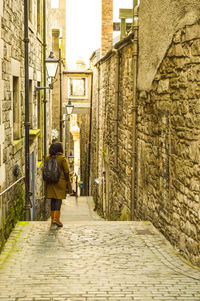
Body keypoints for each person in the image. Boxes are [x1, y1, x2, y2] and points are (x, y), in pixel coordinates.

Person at [44, 142, 72, 227]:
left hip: (50, 182)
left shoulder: (48, 158)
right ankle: (57, 219)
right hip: (60, 182)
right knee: (58, 200)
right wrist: (67, 180)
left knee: (53, 200)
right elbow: (66, 171)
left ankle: (53, 219)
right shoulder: (62, 158)